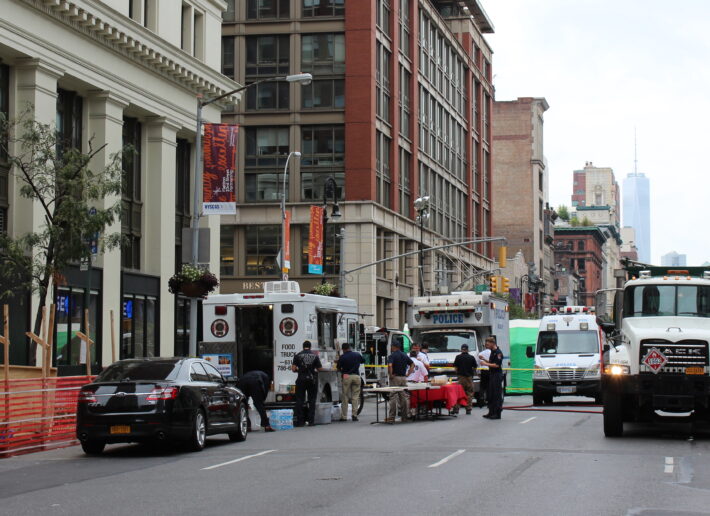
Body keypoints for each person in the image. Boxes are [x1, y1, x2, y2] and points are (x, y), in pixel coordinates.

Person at [291, 340, 326, 427]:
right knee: (312, 400)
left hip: (301, 380)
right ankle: (311, 421)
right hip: (312, 380)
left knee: (299, 400)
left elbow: (293, 369)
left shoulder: (297, 356)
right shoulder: (315, 356)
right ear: (310, 347)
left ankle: (300, 421)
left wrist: (300, 370)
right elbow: (319, 369)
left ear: (303, 347)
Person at [385, 341, 414, 424]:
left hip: (395, 378)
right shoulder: (405, 355)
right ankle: (404, 417)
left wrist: (390, 374)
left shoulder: (392, 356)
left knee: (393, 396)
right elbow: (412, 364)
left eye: (391, 346)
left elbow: (390, 365)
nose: (391, 348)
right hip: (403, 378)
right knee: (404, 397)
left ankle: (391, 417)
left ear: (394, 347)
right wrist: (408, 373)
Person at [336, 342, 364, 422]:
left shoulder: (342, 357)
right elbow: (363, 361)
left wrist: (343, 372)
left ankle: (344, 416)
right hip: (356, 376)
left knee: (345, 396)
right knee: (355, 396)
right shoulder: (357, 355)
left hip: (346, 376)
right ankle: (354, 415)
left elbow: (338, 368)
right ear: (349, 348)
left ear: (343, 349)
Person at [479, 336, 504, 419]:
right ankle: (491, 411)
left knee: (496, 394)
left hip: (496, 375)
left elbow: (496, 365)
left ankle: (497, 413)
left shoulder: (498, 352)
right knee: (490, 394)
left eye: (488, 344)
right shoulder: (492, 352)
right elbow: (491, 362)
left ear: (493, 343)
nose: (487, 345)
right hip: (491, 374)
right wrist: (484, 360)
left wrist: (485, 364)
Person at [452, 343, 476, 415]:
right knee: (469, 393)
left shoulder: (458, 357)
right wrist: (472, 374)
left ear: (461, 349)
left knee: (458, 393)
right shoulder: (471, 357)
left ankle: (456, 409)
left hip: (461, 377)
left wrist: (458, 374)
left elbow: (455, 368)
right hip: (469, 378)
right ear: (467, 350)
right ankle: (468, 409)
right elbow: (475, 367)